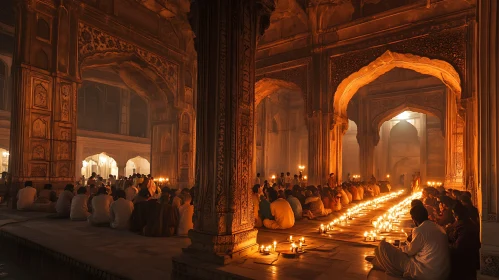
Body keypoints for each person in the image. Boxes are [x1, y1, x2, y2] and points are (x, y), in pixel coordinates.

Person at [368, 204, 450, 279]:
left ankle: (379, 262)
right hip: (442, 272)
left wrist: (400, 249)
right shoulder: (438, 227)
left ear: (414, 219)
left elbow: (410, 251)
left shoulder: (420, 230)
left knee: (383, 246)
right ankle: (379, 261)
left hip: (425, 271)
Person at [448, 202, 481, 280]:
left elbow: (458, 246)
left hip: (465, 261)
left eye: (454, 213)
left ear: (458, 214)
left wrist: (446, 245)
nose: (453, 215)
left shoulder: (466, 227)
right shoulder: (464, 221)